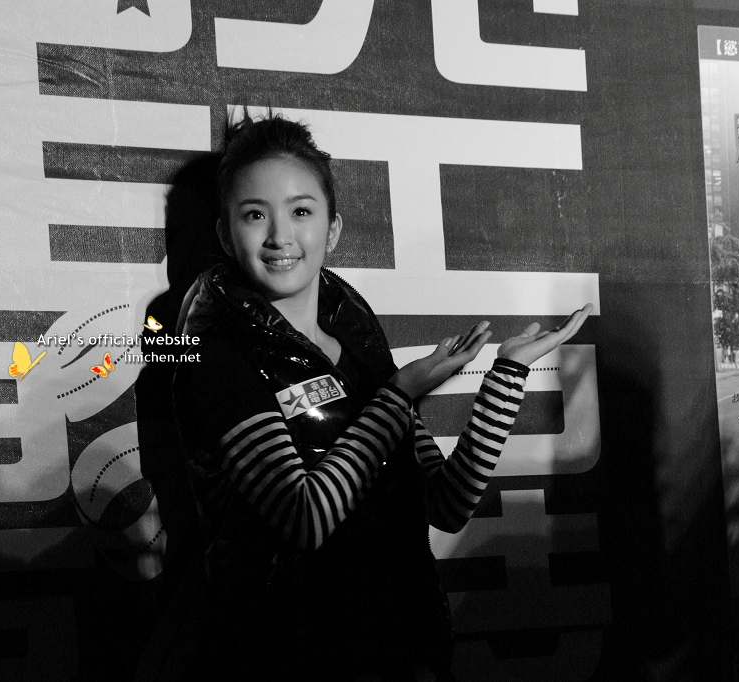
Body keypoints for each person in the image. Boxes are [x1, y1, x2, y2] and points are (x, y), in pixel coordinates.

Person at [171, 114, 592, 681]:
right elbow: (305, 517)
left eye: (301, 212)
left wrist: (508, 373)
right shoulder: (211, 356)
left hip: (404, 649)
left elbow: (447, 505)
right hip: (287, 658)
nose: (279, 237)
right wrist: (400, 394)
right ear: (225, 235)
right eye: (255, 215)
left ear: (333, 230)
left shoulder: (360, 346)